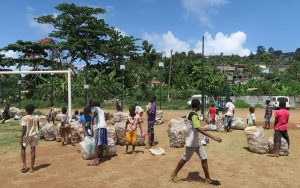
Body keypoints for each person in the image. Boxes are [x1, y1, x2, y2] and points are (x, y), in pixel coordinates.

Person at [170, 99, 222, 185]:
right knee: (185, 158)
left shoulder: (192, 114)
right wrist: (213, 137)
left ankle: (207, 178)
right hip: (191, 142)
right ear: (198, 106)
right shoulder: (193, 115)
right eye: (199, 105)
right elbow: (198, 128)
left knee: (204, 158)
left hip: (196, 141)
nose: (200, 107)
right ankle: (174, 174)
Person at [20, 104, 40, 173]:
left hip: (27, 135)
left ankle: (24, 165)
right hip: (34, 135)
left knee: (23, 148)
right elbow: (38, 126)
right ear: (33, 110)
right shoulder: (36, 117)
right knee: (33, 150)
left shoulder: (24, 118)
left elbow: (24, 128)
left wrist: (21, 137)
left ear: (26, 110)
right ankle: (31, 168)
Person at [88, 101, 108, 166]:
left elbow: (95, 112)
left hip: (99, 127)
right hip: (104, 127)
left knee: (96, 143)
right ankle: (101, 157)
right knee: (100, 143)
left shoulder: (96, 108)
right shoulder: (101, 110)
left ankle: (96, 160)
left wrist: (92, 117)